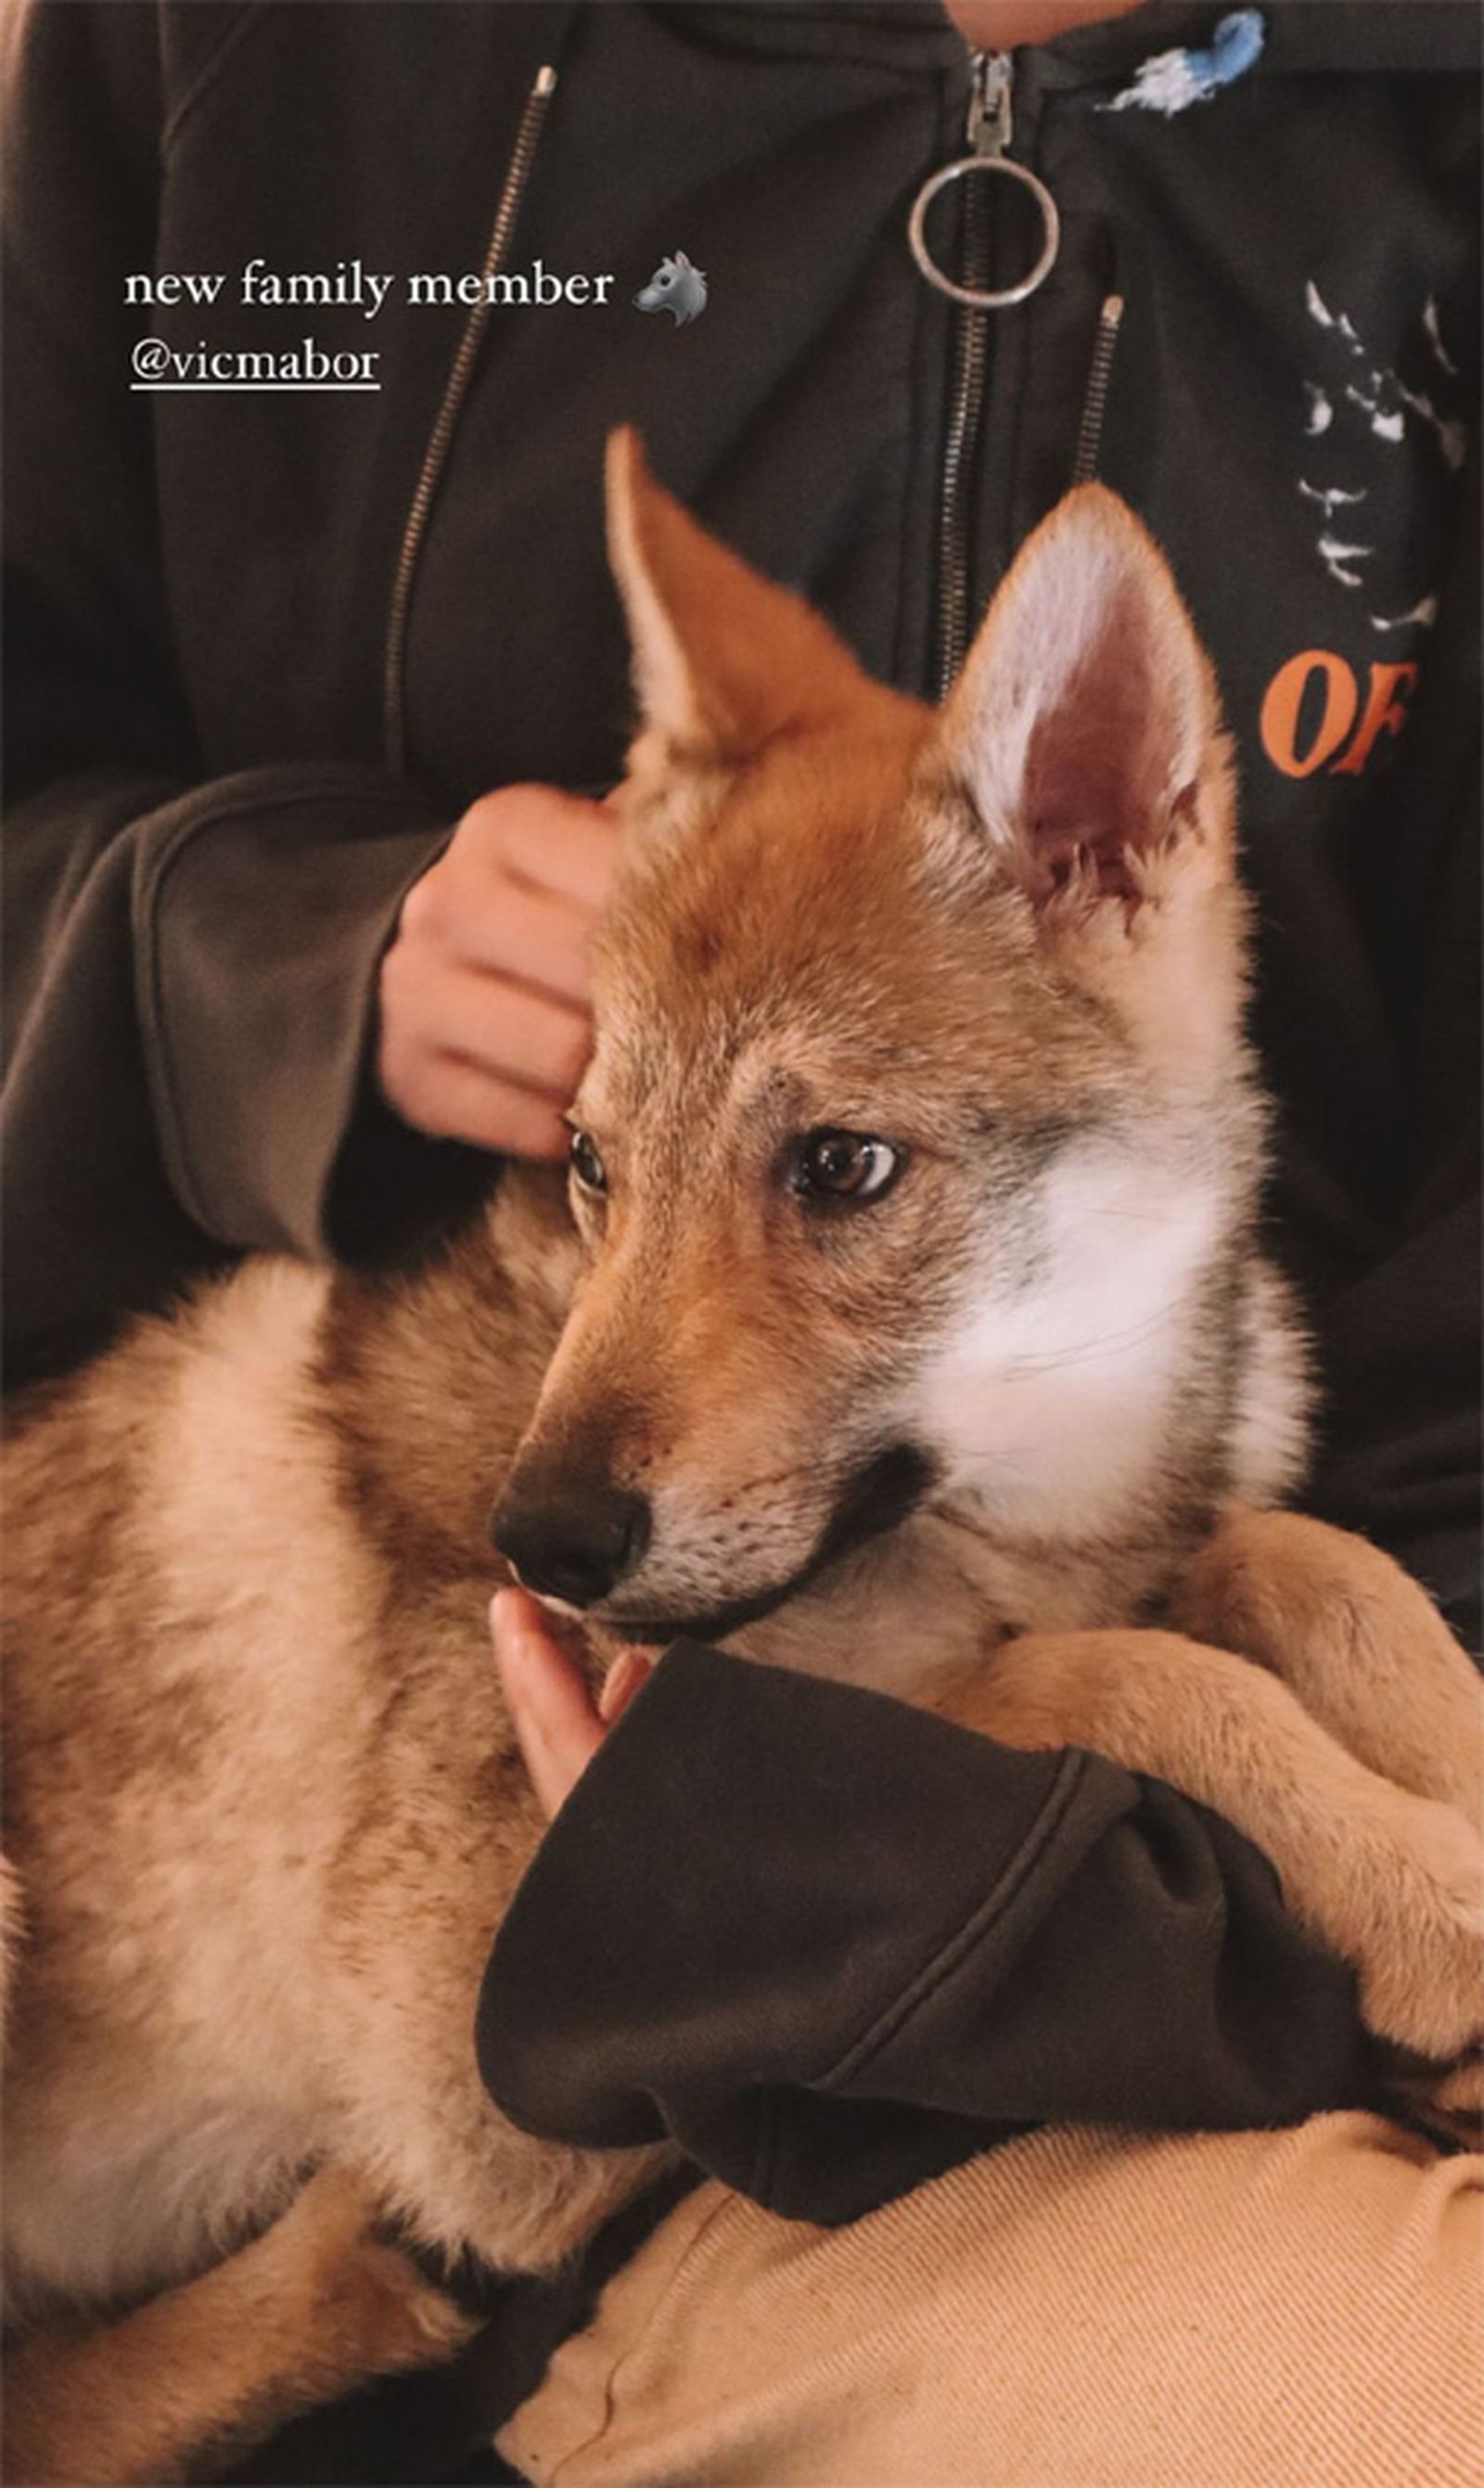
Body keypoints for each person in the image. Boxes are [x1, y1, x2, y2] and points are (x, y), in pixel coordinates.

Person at [5, 1, 1479, 2481]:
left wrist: (1217, 1848)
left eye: (839, 1181)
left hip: (1054, 1985)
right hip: (387, 1928)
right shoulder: (253, 64)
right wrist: (274, 956)